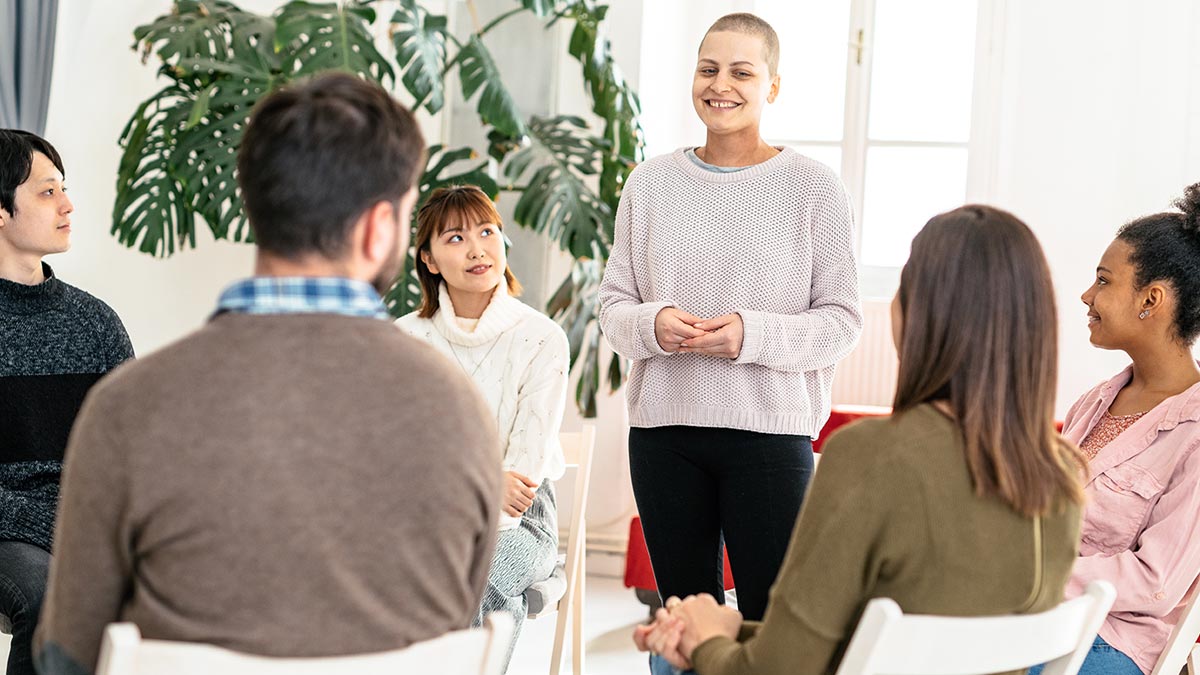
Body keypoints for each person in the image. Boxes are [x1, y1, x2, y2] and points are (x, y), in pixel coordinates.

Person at [33, 73, 502, 675]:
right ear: (377, 228)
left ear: (259, 204)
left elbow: (67, 651)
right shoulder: (460, 411)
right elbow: (455, 620)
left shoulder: (126, 407)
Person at [634, 205, 1087, 675]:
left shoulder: (868, 454)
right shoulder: (1063, 476)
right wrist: (731, 629)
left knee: (670, 661)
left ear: (921, 313)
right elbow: (873, 645)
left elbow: (775, 672)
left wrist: (707, 640)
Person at [597, 12, 863, 623]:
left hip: (771, 434)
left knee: (772, 623)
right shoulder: (650, 183)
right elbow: (613, 307)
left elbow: (843, 321)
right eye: (709, 69)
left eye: (743, 72)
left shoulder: (815, 189)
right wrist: (653, 324)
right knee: (684, 622)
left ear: (771, 86)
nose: (722, 85)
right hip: (663, 434)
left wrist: (751, 334)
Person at [397, 184, 569, 673]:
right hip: (422, 515)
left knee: (476, 568)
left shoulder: (541, 339)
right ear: (428, 260)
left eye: (487, 231)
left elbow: (524, 470)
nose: (476, 249)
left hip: (522, 521)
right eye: (454, 238)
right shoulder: (404, 340)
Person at [1046, 183, 1200, 675]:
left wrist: (1028, 574)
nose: (1086, 295)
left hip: (1111, 641)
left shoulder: (1195, 432)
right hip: (1043, 613)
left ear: (1150, 299)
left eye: (1104, 281)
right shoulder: (1093, 402)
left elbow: (1156, 582)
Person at [0, 129, 134, 675]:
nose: (68, 204)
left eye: (65, 189)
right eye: (47, 192)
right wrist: (51, 523)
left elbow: (131, 451)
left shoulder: (95, 322)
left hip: (78, 524)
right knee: (51, 597)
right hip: (8, 527)